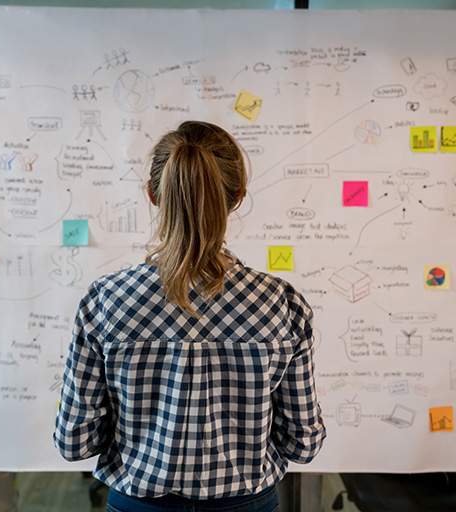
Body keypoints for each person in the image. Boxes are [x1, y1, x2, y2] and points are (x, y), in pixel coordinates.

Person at [54, 121, 325, 512]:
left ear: (152, 194)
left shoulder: (105, 301)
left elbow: (74, 441)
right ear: (236, 198)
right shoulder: (282, 303)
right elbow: (303, 443)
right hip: (246, 504)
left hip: (138, 504)